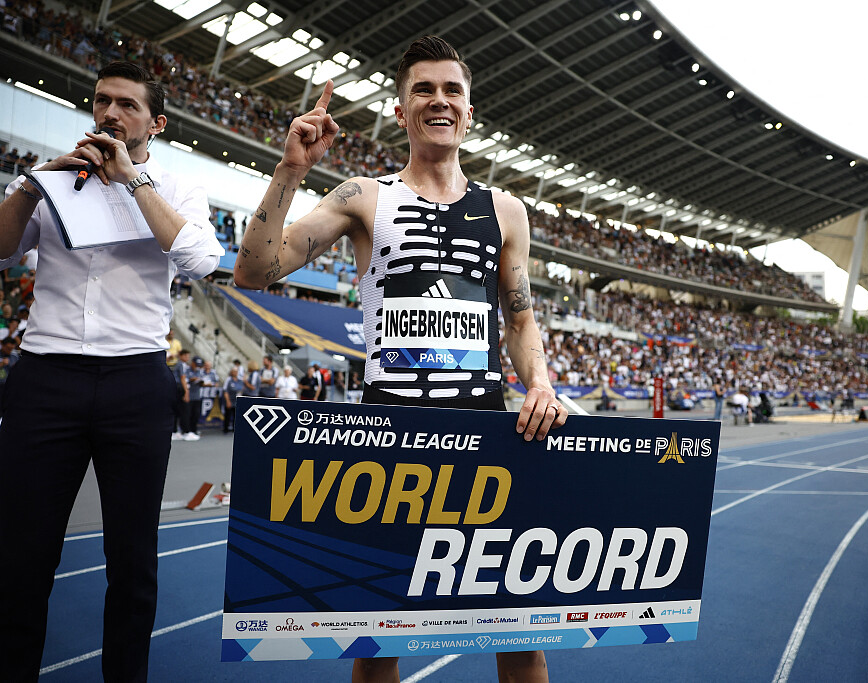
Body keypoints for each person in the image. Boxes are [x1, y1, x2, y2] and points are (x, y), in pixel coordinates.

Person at [234, 35, 564, 683]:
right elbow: (253, 270)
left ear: (470, 111)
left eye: (452, 90)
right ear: (400, 109)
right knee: (378, 638)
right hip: (390, 437)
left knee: (521, 633)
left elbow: (520, 319)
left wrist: (542, 382)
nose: (439, 100)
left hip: (488, 437)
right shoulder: (364, 197)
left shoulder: (506, 211)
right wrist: (291, 169)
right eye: (424, 89)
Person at [0, 60, 223, 681]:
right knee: (22, 557)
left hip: (134, 381)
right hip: (45, 377)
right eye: (102, 102)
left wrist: (132, 182)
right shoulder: (51, 179)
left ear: (156, 121)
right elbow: (1, 249)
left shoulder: (174, 186)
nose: (111, 114)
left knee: (132, 560)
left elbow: (203, 259)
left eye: (127, 105)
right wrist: (27, 185)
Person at [222, 366, 245, 433]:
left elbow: (242, 389)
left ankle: (234, 429)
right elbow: (225, 390)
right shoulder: (228, 380)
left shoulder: (239, 380)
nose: (235, 373)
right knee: (228, 415)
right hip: (230, 399)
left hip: (237, 400)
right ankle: (225, 429)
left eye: (236, 371)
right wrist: (228, 401)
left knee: (236, 416)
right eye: (234, 371)